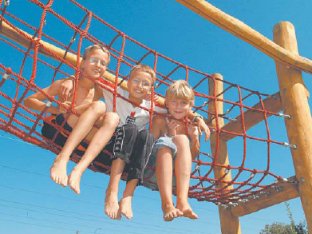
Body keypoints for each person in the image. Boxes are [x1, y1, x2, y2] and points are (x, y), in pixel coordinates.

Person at [59, 65, 210, 220]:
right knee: (133, 130)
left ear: (151, 89)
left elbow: (177, 107)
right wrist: (71, 80)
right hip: (117, 145)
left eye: (146, 84)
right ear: (128, 81)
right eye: (136, 81)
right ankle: (115, 192)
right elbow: (91, 79)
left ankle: (141, 198)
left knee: (163, 137)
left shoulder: (161, 111)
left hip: (143, 159)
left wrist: (197, 122)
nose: (140, 86)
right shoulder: (125, 96)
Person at [24, 44, 120, 191]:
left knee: (113, 118)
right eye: (94, 60)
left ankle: (79, 169)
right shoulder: (65, 84)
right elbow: (29, 101)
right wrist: (55, 109)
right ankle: (62, 158)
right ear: (82, 62)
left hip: (83, 139)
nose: (98, 65)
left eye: (103, 63)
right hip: (61, 128)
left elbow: (124, 94)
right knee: (100, 106)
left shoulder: (101, 90)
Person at [144, 80, 206, 222]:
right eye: (174, 102)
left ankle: (182, 202)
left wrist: (194, 138)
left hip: (177, 181)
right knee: (172, 141)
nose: (178, 107)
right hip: (152, 172)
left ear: (190, 106)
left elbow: (192, 157)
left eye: (183, 103)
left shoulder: (191, 126)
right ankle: (167, 204)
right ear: (167, 103)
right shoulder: (160, 120)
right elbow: (148, 149)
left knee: (183, 139)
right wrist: (169, 136)